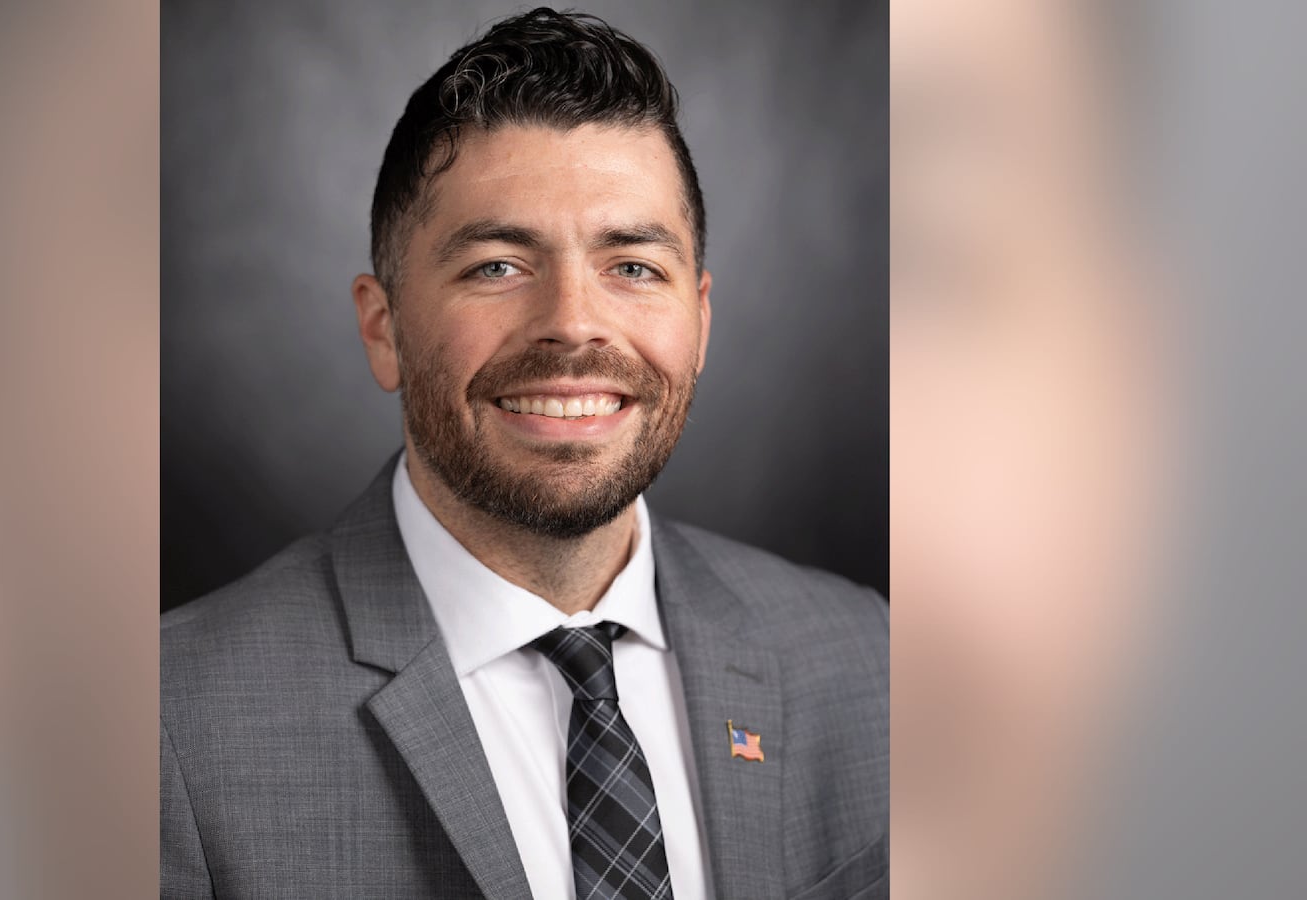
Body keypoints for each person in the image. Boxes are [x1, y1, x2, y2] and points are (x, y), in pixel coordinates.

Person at [161, 9, 886, 899]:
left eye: (633, 267)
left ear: (700, 320)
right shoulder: (169, 729)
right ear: (382, 327)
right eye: (498, 266)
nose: (573, 324)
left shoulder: (869, 662)